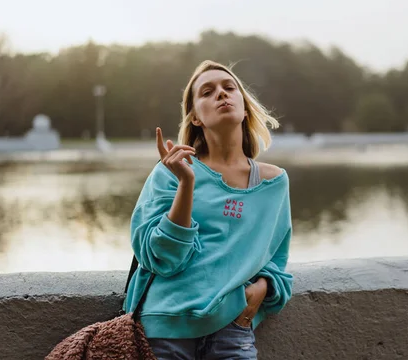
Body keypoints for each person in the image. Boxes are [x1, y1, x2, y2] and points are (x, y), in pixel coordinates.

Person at [123, 60, 294, 359]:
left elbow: (276, 257)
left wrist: (264, 287)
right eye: (207, 91)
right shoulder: (169, 173)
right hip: (164, 326)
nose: (221, 94)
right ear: (195, 117)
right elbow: (161, 258)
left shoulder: (274, 183)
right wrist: (187, 184)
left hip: (233, 327)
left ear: (244, 106)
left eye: (230, 88)